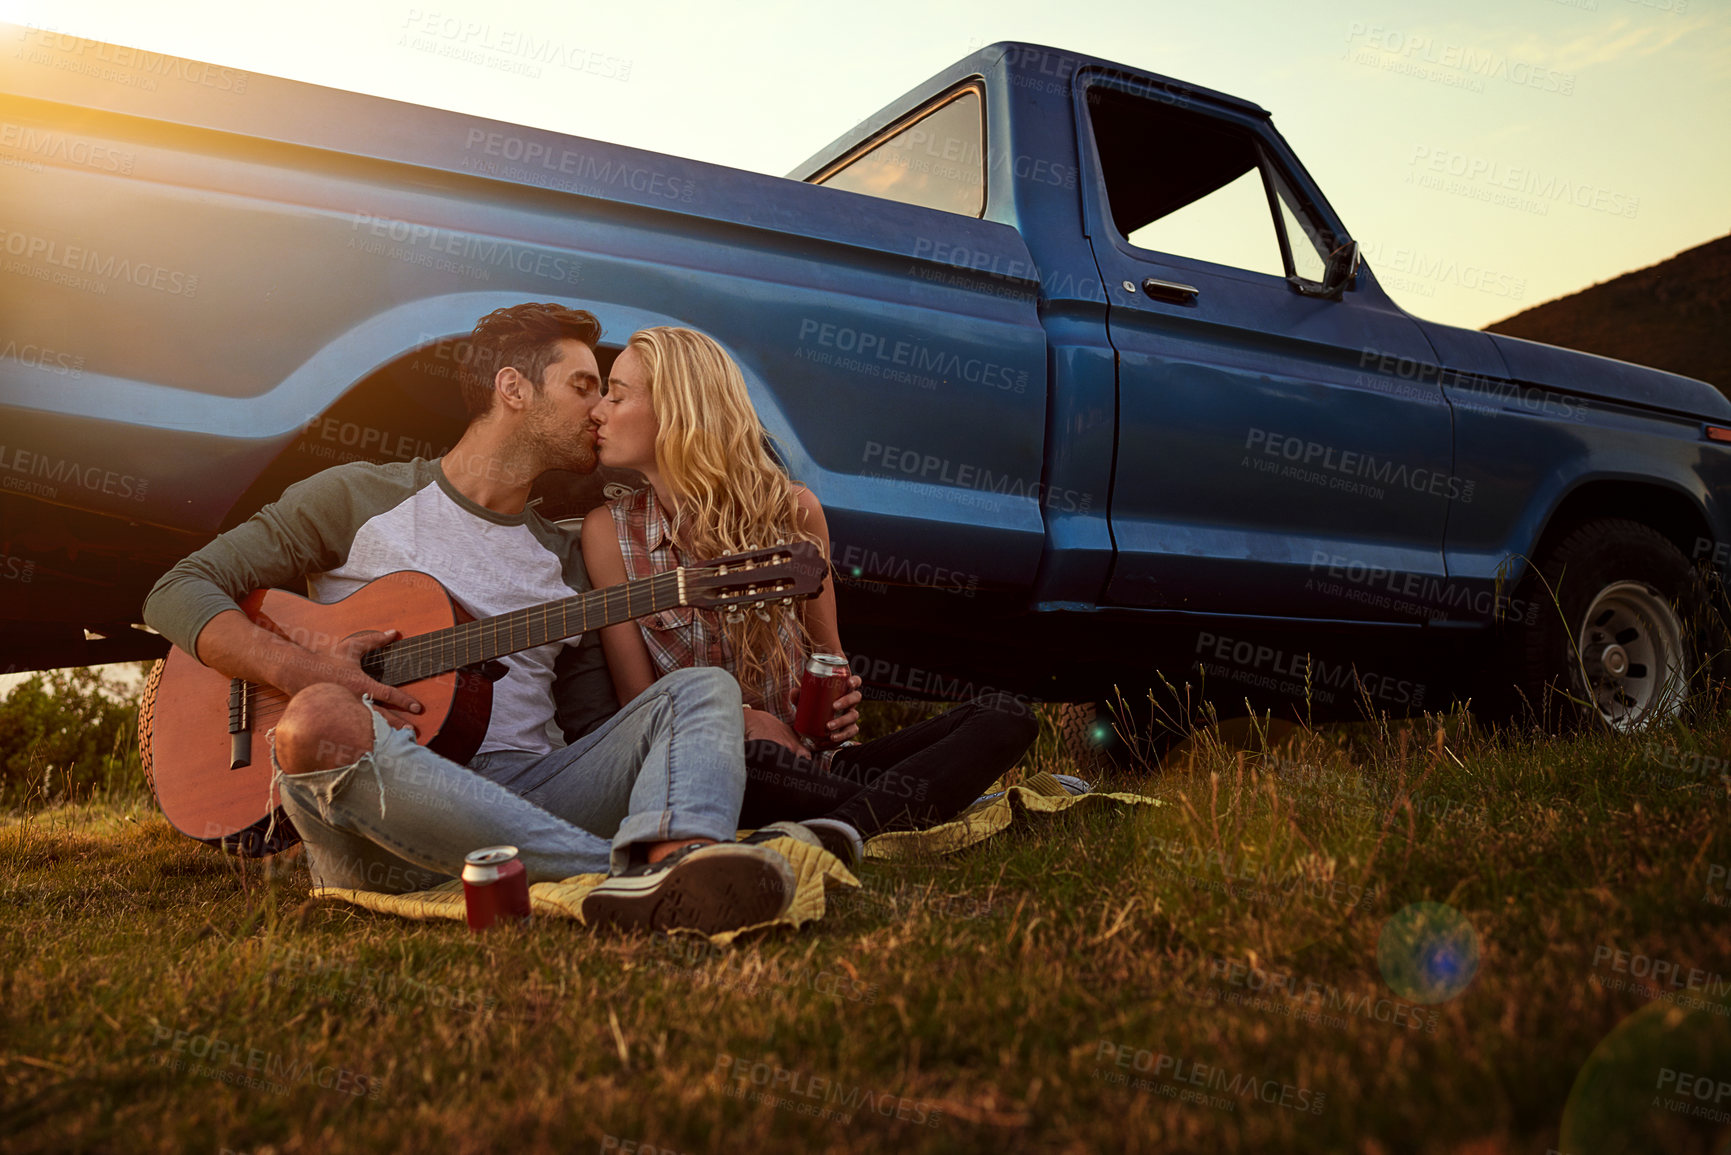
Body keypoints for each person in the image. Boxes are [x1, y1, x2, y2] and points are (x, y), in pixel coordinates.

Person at [142, 303, 804, 936]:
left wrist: (731, 722)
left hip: (530, 795)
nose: (599, 409)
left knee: (700, 693)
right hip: (383, 814)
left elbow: (595, 728)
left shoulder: (569, 559)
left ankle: (684, 857)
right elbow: (176, 590)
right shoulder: (356, 498)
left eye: (607, 393)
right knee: (318, 716)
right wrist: (309, 669)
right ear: (512, 387)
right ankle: (627, 873)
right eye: (582, 386)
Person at [579, 326, 1041, 867]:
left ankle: (834, 833)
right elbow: (643, 709)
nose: (598, 411)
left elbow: (830, 658)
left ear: (679, 409)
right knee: (758, 768)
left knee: (1008, 715)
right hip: (727, 770)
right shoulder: (607, 534)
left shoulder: (793, 512)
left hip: (820, 767)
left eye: (617, 393)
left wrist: (840, 706)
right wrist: (744, 720)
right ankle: (886, 814)